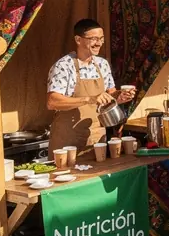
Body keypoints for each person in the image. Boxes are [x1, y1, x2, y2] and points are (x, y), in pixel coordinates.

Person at [46, 18, 136, 154]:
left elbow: (111, 96)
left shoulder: (102, 64)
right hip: (67, 141)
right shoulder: (64, 66)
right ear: (78, 40)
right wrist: (89, 99)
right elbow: (52, 102)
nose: (98, 43)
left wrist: (121, 96)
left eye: (101, 38)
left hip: (96, 138)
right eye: (93, 39)